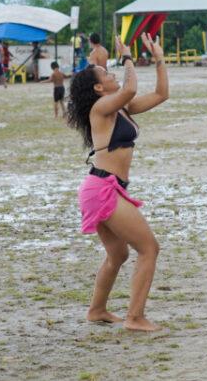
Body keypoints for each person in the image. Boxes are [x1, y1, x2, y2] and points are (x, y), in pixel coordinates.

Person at [68, 33, 168, 332]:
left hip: (106, 188)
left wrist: (159, 58)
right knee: (149, 248)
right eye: (107, 73)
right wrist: (127, 57)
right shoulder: (100, 109)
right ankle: (135, 318)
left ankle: (96, 310)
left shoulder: (120, 108)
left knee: (118, 254)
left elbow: (161, 94)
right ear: (99, 87)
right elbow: (131, 86)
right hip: (102, 189)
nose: (112, 74)